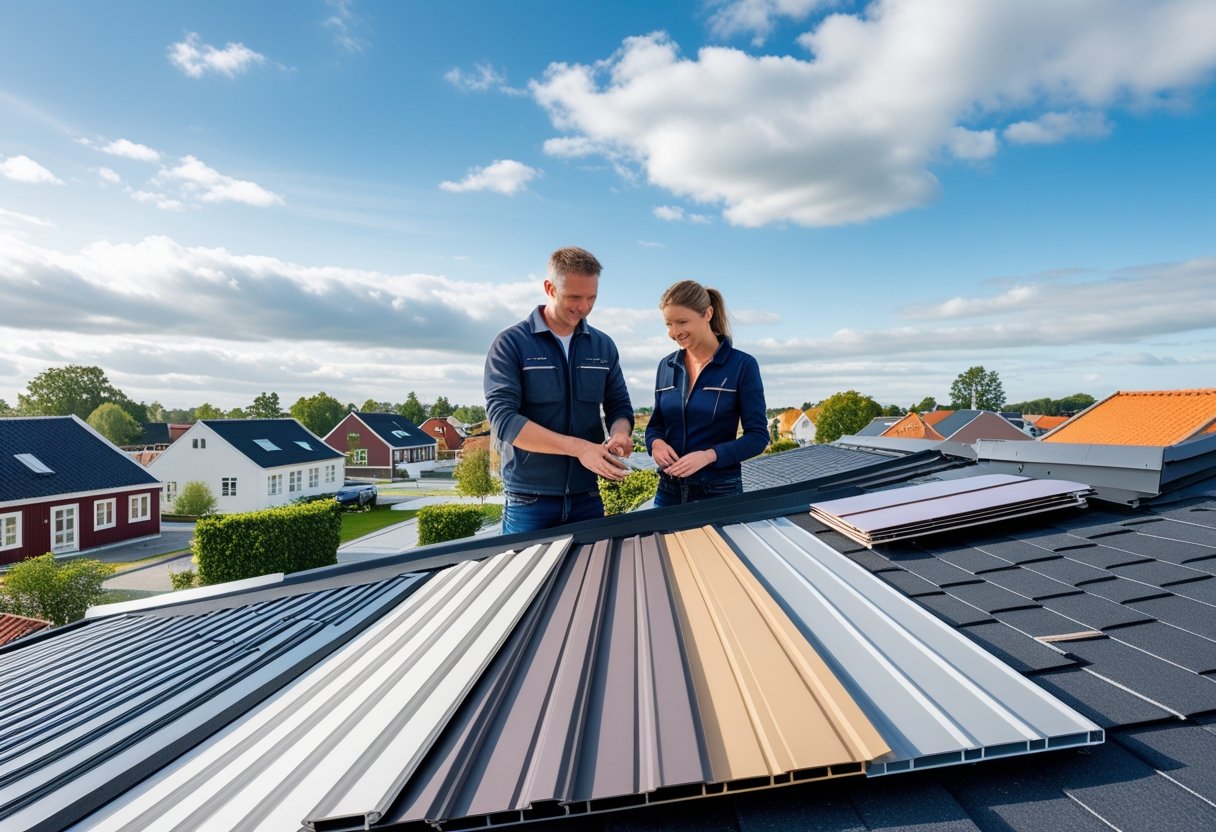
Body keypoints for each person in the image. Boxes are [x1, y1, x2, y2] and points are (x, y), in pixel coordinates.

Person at [485, 246, 634, 534]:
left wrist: (621, 433)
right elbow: (504, 420)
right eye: (574, 297)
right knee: (528, 579)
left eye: (592, 298)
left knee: (593, 577)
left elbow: (619, 405)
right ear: (549, 288)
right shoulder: (511, 344)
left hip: (587, 496)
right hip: (529, 500)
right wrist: (578, 448)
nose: (584, 307)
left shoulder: (603, 346)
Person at [645, 280, 768, 506]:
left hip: (719, 491)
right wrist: (656, 444)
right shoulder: (666, 366)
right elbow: (656, 425)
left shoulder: (742, 365)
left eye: (682, 322)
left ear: (707, 314)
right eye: (668, 324)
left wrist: (708, 456)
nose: (674, 332)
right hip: (668, 491)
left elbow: (758, 438)